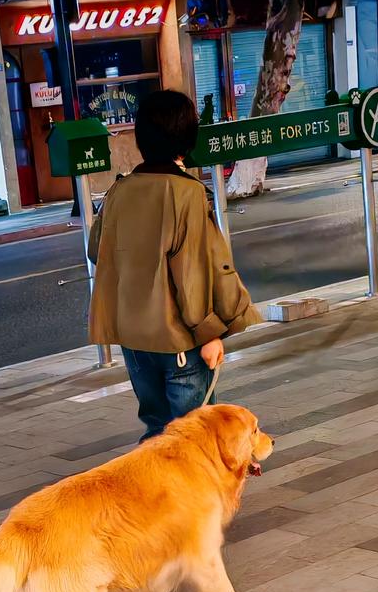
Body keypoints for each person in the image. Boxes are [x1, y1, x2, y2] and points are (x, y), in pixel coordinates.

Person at [88, 89, 260, 440]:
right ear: (187, 136)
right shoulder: (187, 193)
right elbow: (195, 272)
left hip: (134, 339)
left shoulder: (119, 192)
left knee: (157, 429)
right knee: (192, 436)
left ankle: (153, 493)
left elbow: (97, 250)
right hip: (179, 339)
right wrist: (211, 334)